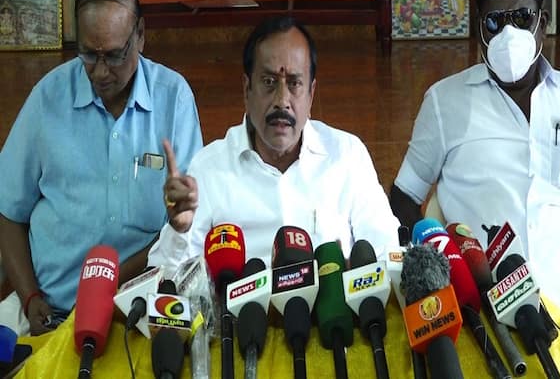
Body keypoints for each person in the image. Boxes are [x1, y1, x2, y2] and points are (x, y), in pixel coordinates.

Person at [0, 0, 203, 336]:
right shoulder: (49, 97)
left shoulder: (173, 99)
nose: (100, 71)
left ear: (140, 35)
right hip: (47, 310)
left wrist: (106, 286)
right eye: (88, 55)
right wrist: (29, 297)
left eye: (114, 55)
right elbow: (8, 210)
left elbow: (186, 227)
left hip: (138, 309)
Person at [390, 0, 560, 314]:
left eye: (522, 18)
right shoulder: (446, 102)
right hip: (488, 310)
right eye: (494, 22)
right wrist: (439, 256)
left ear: (543, 23)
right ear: (479, 29)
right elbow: (403, 197)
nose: (509, 34)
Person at [148, 16, 400, 270]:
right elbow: (165, 276)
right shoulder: (210, 168)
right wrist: (180, 231)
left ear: (311, 94)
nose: (282, 100)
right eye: (269, 82)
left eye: (294, 83)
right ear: (247, 90)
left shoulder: (347, 155)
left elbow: (387, 252)